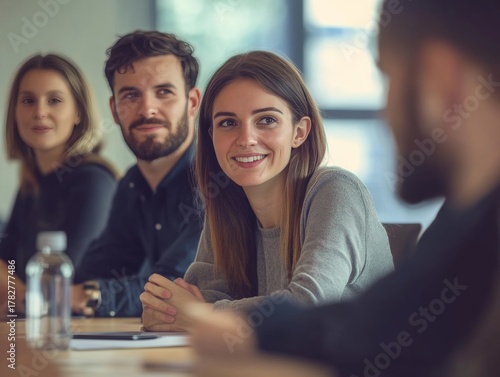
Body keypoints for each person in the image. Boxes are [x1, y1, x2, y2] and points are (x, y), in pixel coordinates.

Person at [187, 0, 500, 376]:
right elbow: (379, 322)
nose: (384, 112)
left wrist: (215, 317)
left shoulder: (337, 190)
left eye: (389, 78)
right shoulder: (467, 221)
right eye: (227, 124)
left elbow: (357, 324)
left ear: (441, 78)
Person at [139, 50, 393, 331]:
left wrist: (202, 314)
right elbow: (198, 299)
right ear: (211, 137)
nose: (246, 139)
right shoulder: (227, 203)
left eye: (267, 120)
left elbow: (306, 307)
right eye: (228, 123)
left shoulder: (336, 191)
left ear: (299, 132)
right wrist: (173, 312)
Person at [72, 30, 203, 317]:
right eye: (131, 95)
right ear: (115, 111)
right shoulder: (132, 184)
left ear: (192, 103)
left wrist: (84, 297)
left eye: (164, 92)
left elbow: (173, 290)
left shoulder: (215, 180)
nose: (147, 109)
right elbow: (96, 269)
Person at [0, 53, 118, 314]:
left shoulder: (94, 180)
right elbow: (5, 259)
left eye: (54, 100)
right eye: (28, 101)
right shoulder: (31, 181)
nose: (39, 112)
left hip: (80, 333)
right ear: (15, 112)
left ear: (78, 112)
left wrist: (15, 295)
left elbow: (62, 282)